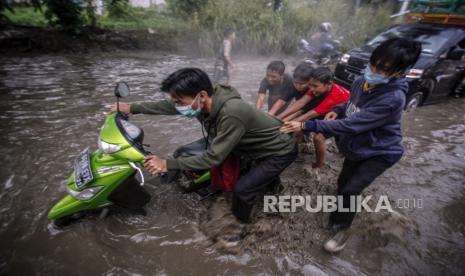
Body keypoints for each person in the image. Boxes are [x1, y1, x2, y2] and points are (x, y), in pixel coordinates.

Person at [280, 38, 422, 253]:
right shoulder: (361, 81)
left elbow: (351, 124)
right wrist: (337, 109)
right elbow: (349, 104)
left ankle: (341, 230)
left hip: (380, 152)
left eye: (382, 69)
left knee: (351, 189)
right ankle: (342, 211)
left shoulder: (393, 98)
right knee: (343, 183)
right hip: (358, 146)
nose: (373, 70)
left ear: (399, 72)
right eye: (373, 64)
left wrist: (304, 124)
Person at [110, 68, 297, 223]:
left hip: (279, 150)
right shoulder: (202, 102)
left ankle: (243, 225)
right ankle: (271, 188)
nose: (177, 106)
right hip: (251, 146)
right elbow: (167, 106)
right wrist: (132, 107)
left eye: (179, 102)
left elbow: (213, 157)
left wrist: (167, 164)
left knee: (242, 190)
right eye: (175, 100)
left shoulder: (231, 112)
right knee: (259, 178)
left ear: (201, 95)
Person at [277, 67, 350, 168]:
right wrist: (278, 118)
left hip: (343, 115)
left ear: (329, 84)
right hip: (326, 110)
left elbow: (309, 115)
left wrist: (283, 126)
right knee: (298, 129)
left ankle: (318, 165)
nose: (311, 89)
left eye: (315, 86)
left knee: (318, 138)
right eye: (310, 85)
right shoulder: (316, 86)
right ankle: (291, 153)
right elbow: (301, 102)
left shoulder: (334, 96)